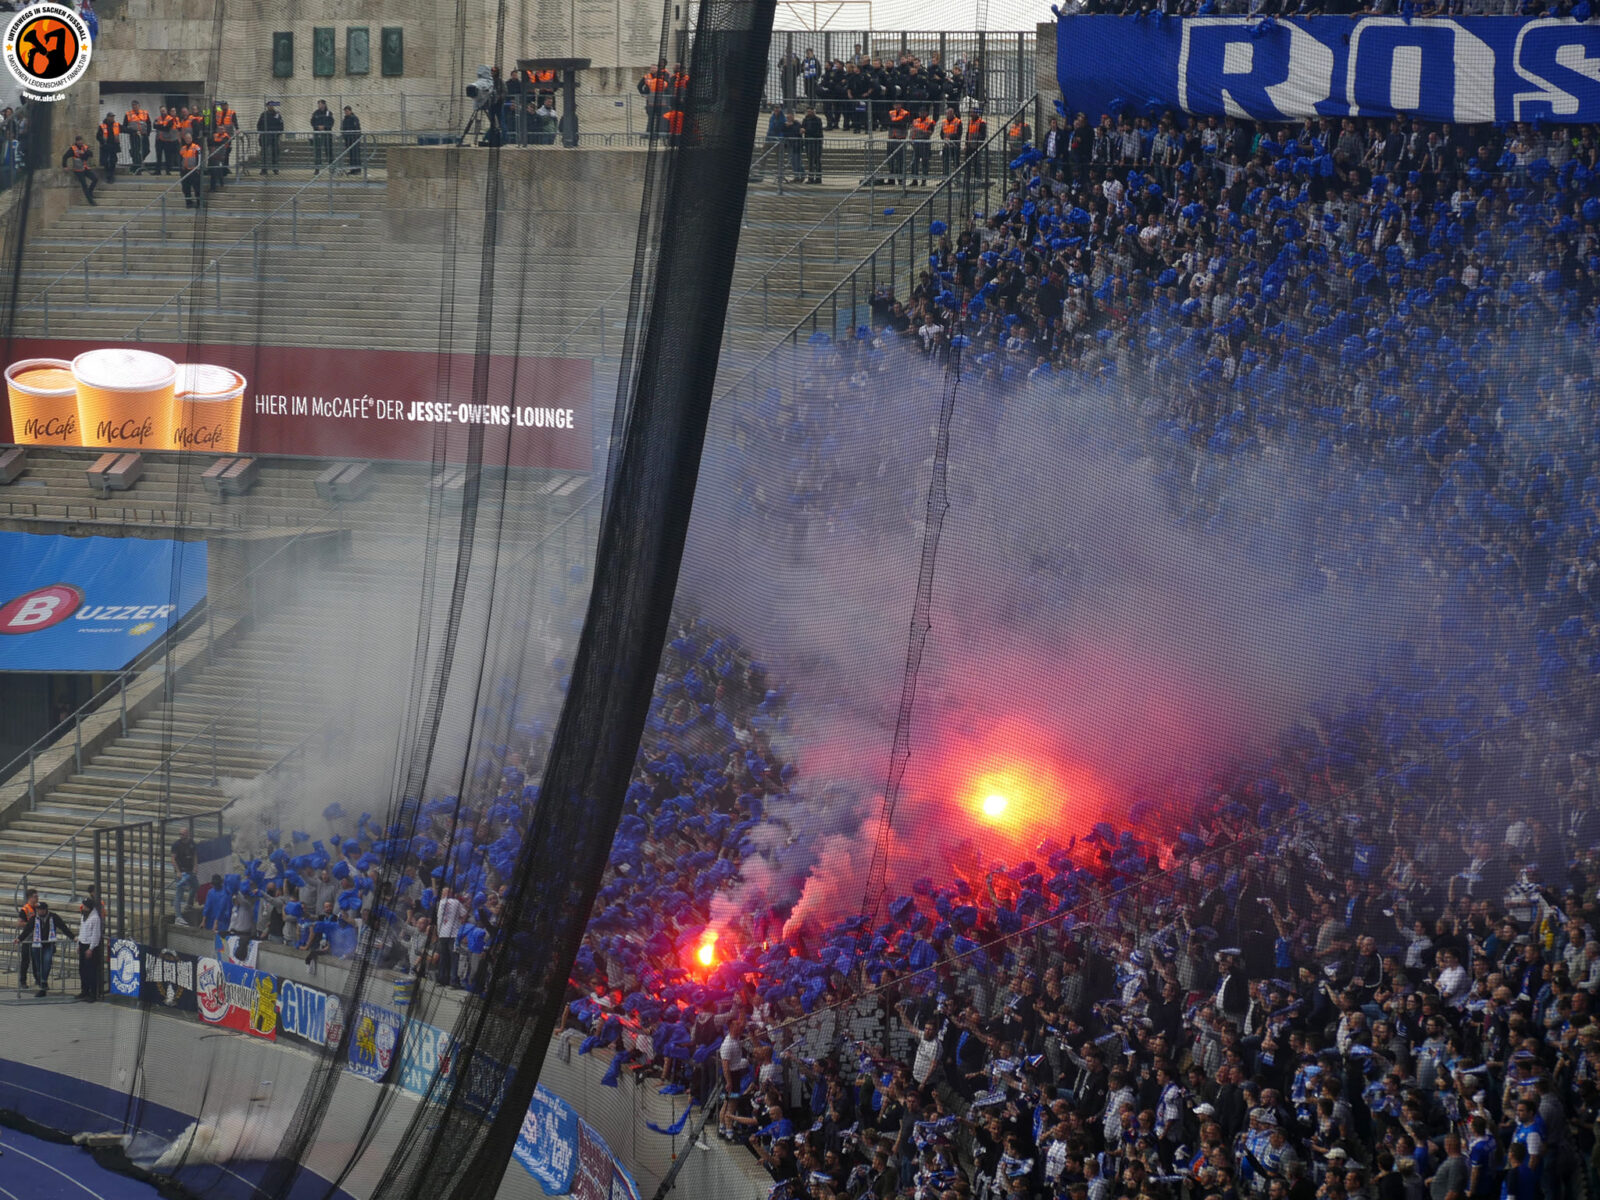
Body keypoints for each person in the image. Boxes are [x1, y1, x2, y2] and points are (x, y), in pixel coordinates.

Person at [15, 900, 69, 997]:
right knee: (38, 966)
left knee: (47, 963)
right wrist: (19, 939)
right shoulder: (34, 918)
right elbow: (27, 929)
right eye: (38, 910)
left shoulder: (53, 917)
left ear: (45, 910)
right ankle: (43, 983)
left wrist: (72, 937)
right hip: (37, 945)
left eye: (41, 910)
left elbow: (63, 927)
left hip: (48, 944)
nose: (39, 912)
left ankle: (43, 983)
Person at [435, 887, 465, 986]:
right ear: (451, 893)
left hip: (442, 934)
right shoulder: (456, 902)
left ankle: (442, 979)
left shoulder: (439, 903)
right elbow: (464, 914)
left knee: (443, 957)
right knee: (454, 957)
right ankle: (453, 980)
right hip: (453, 934)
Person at [76, 893, 101, 1002]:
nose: (83, 908)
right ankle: (84, 990)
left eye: (85, 906)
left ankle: (93, 993)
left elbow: (96, 934)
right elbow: (81, 930)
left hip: (90, 946)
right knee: (82, 969)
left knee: (91, 971)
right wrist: (78, 944)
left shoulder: (95, 918)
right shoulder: (83, 916)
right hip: (82, 943)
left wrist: (91, 948)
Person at [62, 134, 97, 204]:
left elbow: (91, 153)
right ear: (76, 142)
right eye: (79, 142)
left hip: (85, 167)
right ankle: (90, 201)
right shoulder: (73, 149)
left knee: (95, 179)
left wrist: (85, 152)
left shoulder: (85, 147)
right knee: (84, 185)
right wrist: (65, 166)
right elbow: (65, 157)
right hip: (78, 170)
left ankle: (90, 192)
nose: (80, 143)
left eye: (81, 141)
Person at [638, 61, 671, 137]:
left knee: (659, 118)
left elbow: (668, 88)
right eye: (652, 68)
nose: (653, 69)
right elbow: (639, 86)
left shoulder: (664, 77)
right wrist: (644, 94)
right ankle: (650, 133)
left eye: (654, 68)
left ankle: (656, 133)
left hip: (660, 102)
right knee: (651, 118)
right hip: (651, 102)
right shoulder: (647, 77)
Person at [172, 826, 197, 918]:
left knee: (195, 886)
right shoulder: (176, 845)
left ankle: (189, 905)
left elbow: (194, 855)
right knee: (179, 893)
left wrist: (195, 866)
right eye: (180, 834)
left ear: (187, 834)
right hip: (181, 873)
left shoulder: (191, 843)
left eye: (183, 834)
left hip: (190, 871)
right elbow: (173, 859)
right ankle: (178, 916)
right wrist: (178, 872)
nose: (181, 836)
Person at [15, 888, 37, 990]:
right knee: (25, 961)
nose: (37, 898)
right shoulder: (25, 909)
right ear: (29, 897)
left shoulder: (38, 908)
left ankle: (38, 979)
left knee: (37, 960)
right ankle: (23, 981)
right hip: (27, 938)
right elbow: (19, 923)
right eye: (35, 896)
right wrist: (31, 924)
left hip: (37, 938)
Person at [908, 106, 934, 186]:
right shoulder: (915, 121)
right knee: (914, 162)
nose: (922, 113)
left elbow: (930, 133)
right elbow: (912, 131)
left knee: (925, 162)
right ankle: (914, 180)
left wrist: (921, 131)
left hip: (925, 143)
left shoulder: (930, 122)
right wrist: (910, 139)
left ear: (926, 113)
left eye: (923, 112)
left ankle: (924, 180)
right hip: (916, 144)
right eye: (920, 112)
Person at [123, 100, 150, 174]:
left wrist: (147, 133)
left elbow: (149, 124)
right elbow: (124, 127)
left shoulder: (145, 113)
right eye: (133, 105)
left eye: (136, 105)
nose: (134, 107)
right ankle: (137, 167)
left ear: (139, 105)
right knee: (136, 151)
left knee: (147, 150)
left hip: (144, 135)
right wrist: (132, 132)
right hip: (134, 136)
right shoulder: (128, 114)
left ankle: (138, 163)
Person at [255, 101, 282, 174]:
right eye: (269, 106)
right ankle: (264, 169)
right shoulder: (264, 115)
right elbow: (259, 125)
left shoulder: (277, 114)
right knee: (264, 153)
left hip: (274, 136)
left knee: (275, 153)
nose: (271, 107)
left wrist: (278, 134)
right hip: (265, 136)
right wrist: (262, 133)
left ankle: (275, 168)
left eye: (272, 105)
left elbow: (281, 125)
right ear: (267, 106)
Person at [177, 133, 203, 207]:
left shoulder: (196, 147)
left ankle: (199, 203)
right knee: (185, 188)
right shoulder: (183, 148)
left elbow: (199, 159)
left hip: (194, 171)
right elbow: (180, 158)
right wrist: (181, 168)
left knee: (197, 188)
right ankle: (188, 203)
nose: (188, 140)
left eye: (189, 138)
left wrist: (197, 168)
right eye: (186, 138)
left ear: (191, 139)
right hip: (185, 171)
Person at [309, 100, 334, 172]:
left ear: (324, 105)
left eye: (320, 104)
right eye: (318, 104)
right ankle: (317, 169)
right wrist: (317, 127)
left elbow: (331, 122)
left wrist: (324, 127)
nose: (319, 105)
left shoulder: (329, 113)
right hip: (318, 135)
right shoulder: (315, 113)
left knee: (329, 151)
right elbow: (312, 122)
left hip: (327, 135)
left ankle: (331, 167)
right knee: (317, 152)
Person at [800, 105, 823, 185]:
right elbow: (802, 128)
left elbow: (817, 131)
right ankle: (811, 178)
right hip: (808, 143)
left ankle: (818, 178)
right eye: (808, 111)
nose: (809, 113)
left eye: (810, 111)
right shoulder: (805, 120)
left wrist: (806, 130)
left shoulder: (818, 120)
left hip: (817, 143)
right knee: (810, 161)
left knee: (817, 160)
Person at [95, 111, 119, 183]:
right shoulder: (102, 126)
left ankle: (111, 175)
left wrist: (133, 131)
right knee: (104, 161)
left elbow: (124, 129)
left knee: (113, 161)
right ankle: (108, 173)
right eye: (111, 117)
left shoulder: (116, 125)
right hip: (105, 146)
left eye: (113, 117)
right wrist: (103, 142)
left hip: (113, 146)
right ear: (107, 117)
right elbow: (98, 136)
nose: (112, 118)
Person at [153, 106, 178, 174]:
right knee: (158, 156)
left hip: (167, 140)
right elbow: (154, 126)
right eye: (161, 111)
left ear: (166, 111)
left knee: (168, 156)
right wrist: (163, 126)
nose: (162, 112)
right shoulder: (158, 118)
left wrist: (159, 126)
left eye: (163, 111)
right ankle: (158, 171)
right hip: (158, 140)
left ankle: (168, 171)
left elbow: (167, 128)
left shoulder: (170, 119)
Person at [340, 105, 361, 174]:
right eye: (345, 111)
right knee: (351, 156)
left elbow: (357, 128)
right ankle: (352, 169)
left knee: (356, 155)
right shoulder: (345, 119)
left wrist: (355, 138)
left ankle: (357, 170)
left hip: (354, 140)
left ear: (350, 111)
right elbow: (343, 129)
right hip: (348, 140)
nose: (346, 112)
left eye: (347, 111)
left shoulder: (354, 118)